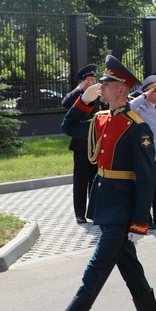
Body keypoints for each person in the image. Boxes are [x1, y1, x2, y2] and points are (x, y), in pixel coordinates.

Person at [22, 55, 156, 311]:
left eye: (107, 83)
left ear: (123, 89)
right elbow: (68, 125)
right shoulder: (101, 119)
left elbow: (147, 178)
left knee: (92, 276)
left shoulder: (136, 127)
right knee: (132, 274)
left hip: (121, 215)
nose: (102, 86)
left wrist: (140, 223)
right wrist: (84, 101)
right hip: (106, 208)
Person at [130, 75, 156, 229]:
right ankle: (145, 218)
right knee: (147, 188)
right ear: (146, 92)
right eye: (154, 91)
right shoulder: (140, 108)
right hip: (147, 154)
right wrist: (143, 97)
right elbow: (127, 109)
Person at [61, 63, 100, 225]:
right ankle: (79, 213)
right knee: (80, 180)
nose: (93, 82)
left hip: (97, 144)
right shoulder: (78, 95)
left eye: (94, 79)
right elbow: (65, 103)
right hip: (81, 144)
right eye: (89, 80)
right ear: (83, 82)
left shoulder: (99, 95)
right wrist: (79, 89)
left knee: (95, 179)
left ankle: (94, 210)